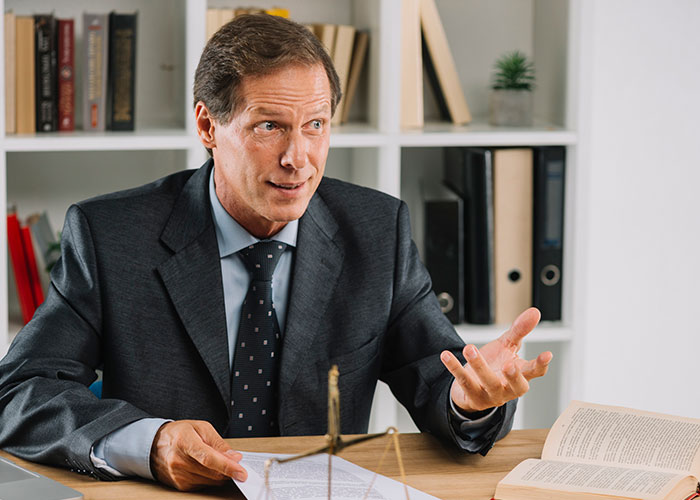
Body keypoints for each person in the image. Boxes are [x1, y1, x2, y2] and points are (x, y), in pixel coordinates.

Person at [0, 14, 552, 492]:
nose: (299, 158)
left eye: (315, 126)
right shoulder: (110, 236)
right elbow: (19, 394)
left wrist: (471, 400)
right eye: (270, 127)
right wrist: (148, 443)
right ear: (207, 126)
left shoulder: (377, 231)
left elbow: (440, 378)